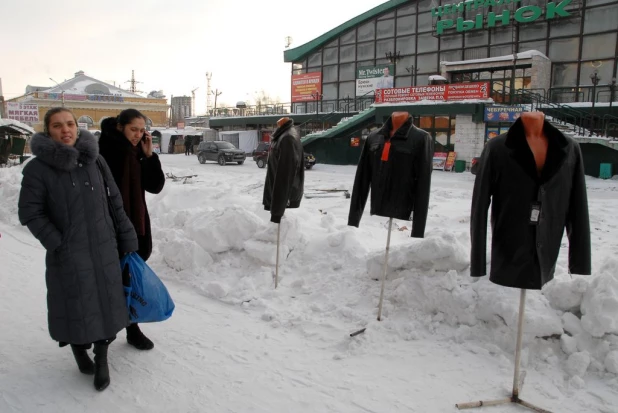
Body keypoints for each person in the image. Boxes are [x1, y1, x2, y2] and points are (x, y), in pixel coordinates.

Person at [18, 107, 139, 391]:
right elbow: (30, 212)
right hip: (69, 252)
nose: (66, 130)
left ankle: (102, 356)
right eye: (58, 126)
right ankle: (78, 348)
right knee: (77, 304)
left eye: (70, 124)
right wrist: (57, 242)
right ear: (48, 131)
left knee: (107, 303)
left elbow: (114, 202)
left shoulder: (95, 161)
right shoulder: (37, 169)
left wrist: (126, 236)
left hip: (105, 246)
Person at [99, 109, 166, 350]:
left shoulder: (138, 152)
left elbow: (155, 186)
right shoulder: (103, 151)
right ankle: (109, 330)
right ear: (120, 127)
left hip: (136, 224)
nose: (138, 135)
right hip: (109, 226)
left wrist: (149, 157)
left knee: (130, 278)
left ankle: (131, 326)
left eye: (141, 130)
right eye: (133, 129)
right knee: (113, 279)